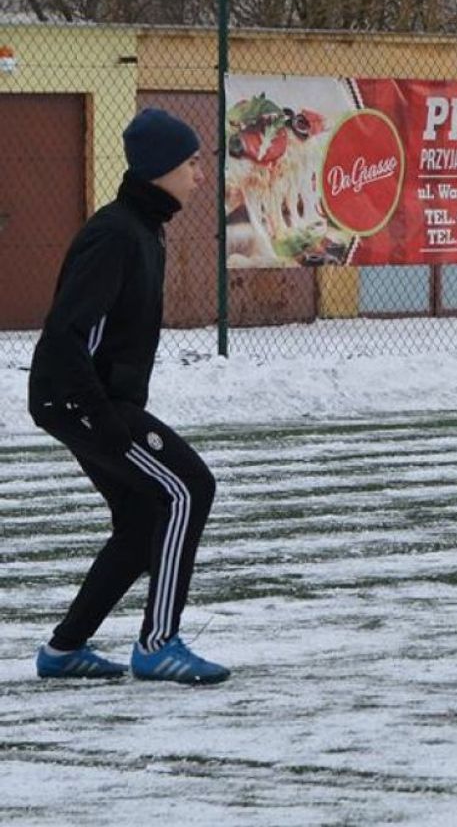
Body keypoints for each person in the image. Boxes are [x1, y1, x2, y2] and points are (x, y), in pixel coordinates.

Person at [29, 108, 229, 684]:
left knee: (142, 519)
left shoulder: (145, 229)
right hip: (80, 400)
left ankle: (64, 650)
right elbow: (67, 334)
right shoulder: (116, 234)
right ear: (160, 167)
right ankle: (158, 644)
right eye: (192, 163)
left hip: (89, 400)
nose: (200, 175)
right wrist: (101, 416)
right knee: (189, 487)